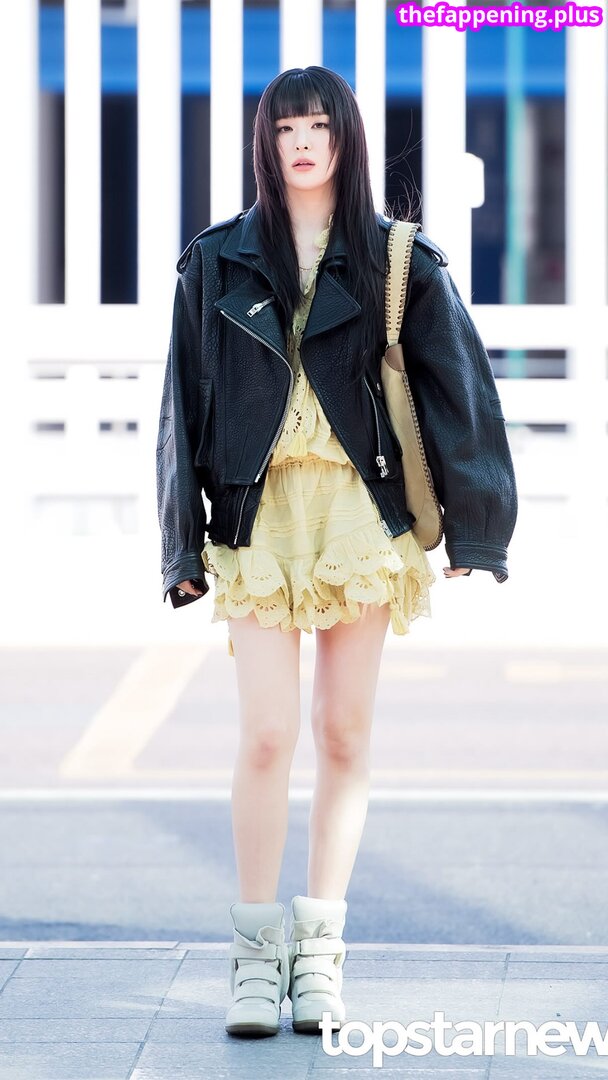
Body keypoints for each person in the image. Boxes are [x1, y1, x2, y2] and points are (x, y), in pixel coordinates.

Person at [156, 65, 518, 1039]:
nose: (303, 142)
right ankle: (253, 955)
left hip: (361, 512)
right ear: (265, 143)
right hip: (257, 516)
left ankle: (319, 953)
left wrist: (478, 528)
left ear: (347, 138)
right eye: (286, 129)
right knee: (267, 734)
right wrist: (178, 547)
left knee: (345, 733)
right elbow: (180, 407)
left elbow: (461, 395)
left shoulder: (400, 259)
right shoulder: (217, 260)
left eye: (319, 125)